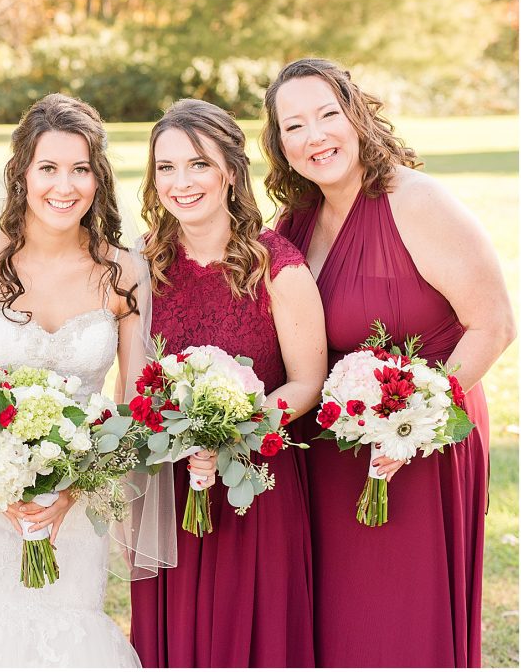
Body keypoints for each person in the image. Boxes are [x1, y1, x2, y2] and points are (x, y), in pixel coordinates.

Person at [263, 57, 516, 667]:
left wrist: (415, 420)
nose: (315, 136)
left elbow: (496, 324)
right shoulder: (295, 223)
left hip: (417, 450)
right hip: (331, 450)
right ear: (279, 144)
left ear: (357, 114)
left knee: (398, 622)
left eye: (328, 114)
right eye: (293, 126)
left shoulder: (417, 202)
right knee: (335, 624)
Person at [0, 93, 147, 667]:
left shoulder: (125, 272)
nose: (63, 186)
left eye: (80, 169)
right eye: (48, 167)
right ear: (21, 173)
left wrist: (74, 488)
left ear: (99, 178)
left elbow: (133, 404)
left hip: (76, 507)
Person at [127, 98, 326, 666]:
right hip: (169, 483)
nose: (180, 183)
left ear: (231, 172)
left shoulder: (277, 267)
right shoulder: (143, 264)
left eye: (197, 164)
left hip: (255, 488)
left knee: (248, 630)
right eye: (165, 168)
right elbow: (133, 377)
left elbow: (307, 383)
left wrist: (227, 431)